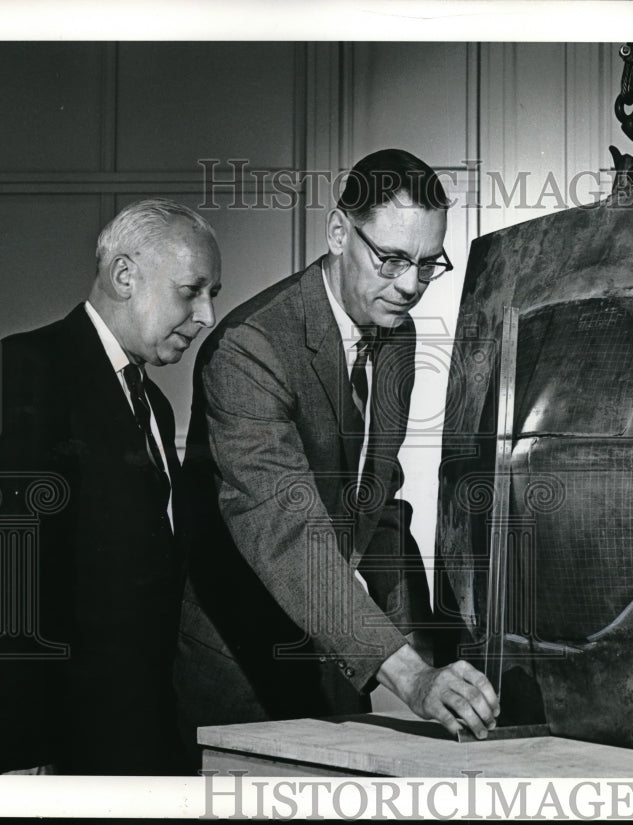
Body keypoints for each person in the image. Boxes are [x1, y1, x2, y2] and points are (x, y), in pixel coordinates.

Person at [175, 149, 499, 766]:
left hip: (334, 670)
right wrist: (409, 676)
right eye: (393, 259)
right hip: (239, 677)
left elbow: (379, 512)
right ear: (337, 233)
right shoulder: (250, 349)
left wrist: (427, 655)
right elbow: (287, 532)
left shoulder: (397, 335)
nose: (409, 286)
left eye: (428, 264)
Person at [0, 198, 222, 775]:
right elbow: (3, 580)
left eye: (213, 296)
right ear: (125, 275)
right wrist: (16, 751)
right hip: (51, 751)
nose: (204, 315)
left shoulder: (154, 403)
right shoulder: (24, 368)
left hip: (140, 739)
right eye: (191, 290)